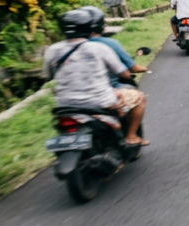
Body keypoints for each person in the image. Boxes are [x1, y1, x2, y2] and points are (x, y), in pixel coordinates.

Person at [45, 9, 147, 146]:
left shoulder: (52, 50)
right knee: (139, 98)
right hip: (100, 101)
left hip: (64, 105)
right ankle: (131, 136)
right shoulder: (99, 48)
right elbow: (123, 72)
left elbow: (48, 76)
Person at [81, 6, 147, 87]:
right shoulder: (109, 44)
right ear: (101, 25)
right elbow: (133, 69)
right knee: (133, 91)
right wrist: (145, 69)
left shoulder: (65, 47)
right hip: (110, 89)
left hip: (76, 94)